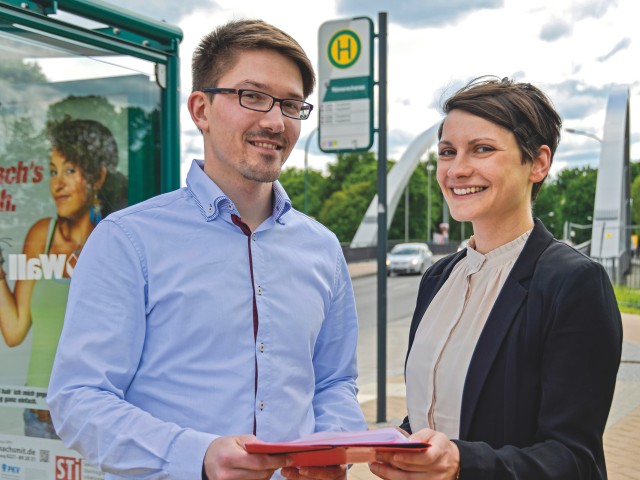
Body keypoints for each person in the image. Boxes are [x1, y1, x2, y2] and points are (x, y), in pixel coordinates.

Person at [47, 19, 366, 480]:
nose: (275, 121)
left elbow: (335, 381)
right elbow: (78, 399)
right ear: (201, 109)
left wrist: (332, 444)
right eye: (252, 96)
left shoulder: (322, 248)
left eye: (292, 105)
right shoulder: (127, 241)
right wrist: (197, 456)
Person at [369, 77, 622, 480]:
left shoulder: (573, 283)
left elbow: (575, 459)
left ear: (538, 163)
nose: (457, 169)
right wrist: (401, 439)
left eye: (482, 149)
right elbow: (448, 407)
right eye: (447, 152)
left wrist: (460, 464)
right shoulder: (438, 278)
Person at [0, 116, 125, 439]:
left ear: (97, 176)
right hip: (37, 417)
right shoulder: (41, 235)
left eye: (70, 170)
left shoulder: (115, 241)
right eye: (53, 171)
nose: (57, 183)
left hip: (95, 420)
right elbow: (13, 331)